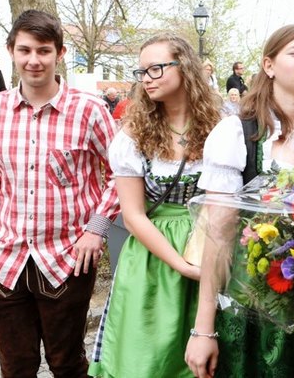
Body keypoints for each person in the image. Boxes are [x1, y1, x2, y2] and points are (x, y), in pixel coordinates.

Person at [185, 24, 294, 378]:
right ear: (269, 65)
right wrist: (203, 328)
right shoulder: (239, 134)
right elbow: (218, 235)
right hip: (255, 310)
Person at [0, 9, 119, 378]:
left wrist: (96, 230)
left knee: (68, 365)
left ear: (59, 53)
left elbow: (121, 174)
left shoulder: (89, 110)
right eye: (25, 50)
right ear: (11, 51)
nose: (34, 60)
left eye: (44, 51)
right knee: (16, 367)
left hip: (68, 260)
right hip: (5, 258)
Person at [88, 33, 221, 378]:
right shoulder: (133, 136)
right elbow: (133, 216)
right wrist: (181, 265)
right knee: (147, 360)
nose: (146, 78)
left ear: (185, 67)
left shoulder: (221, 129)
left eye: (156, 68)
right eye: (142, 71)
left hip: (210, 245)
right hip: (153, 257)